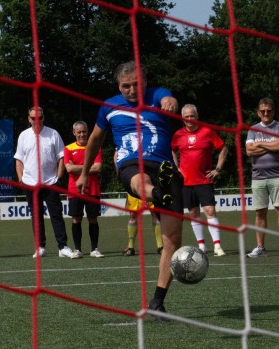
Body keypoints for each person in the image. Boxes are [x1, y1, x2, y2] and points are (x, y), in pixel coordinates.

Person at [76, 61, 182, 317]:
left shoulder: (157, 95)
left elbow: (169, 99)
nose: (132, 90)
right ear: (118, 86)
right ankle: (156, 193)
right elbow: (94, 141)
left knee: (172, 242)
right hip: (131, 161)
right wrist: (83, 174)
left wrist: (170, 101)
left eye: (136, 84)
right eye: (126, 86)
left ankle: (157, 302)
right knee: (139, 179)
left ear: (145, 81)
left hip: (165, 166)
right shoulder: (109, 107)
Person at [14, 106, 76, 259]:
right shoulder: (23, 136)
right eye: (33, 118)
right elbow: (19, 159)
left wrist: (58, 176)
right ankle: (40, 247)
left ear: (43, 118)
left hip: (50, 182)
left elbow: (62, 156)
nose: (37, 121)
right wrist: (21, 178)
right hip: (30, 182)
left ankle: (63, 247)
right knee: (36, 216)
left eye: (40, 117)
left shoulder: (53, 134)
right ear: (29, 119)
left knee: (56, 215)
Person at [171, 104, 228, 257]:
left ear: (197, 116)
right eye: (187, 116)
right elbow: (171, 149)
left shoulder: (207, 132)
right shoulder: (178, 135)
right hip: (186, 182)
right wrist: (176, 167)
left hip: (204, 180)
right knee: (193, 213)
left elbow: (223, 148)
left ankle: (218, 246)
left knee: (210, 211)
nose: (190, 119)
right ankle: (201, 246)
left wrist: (218, 169)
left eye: (192, 116)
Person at [245, 98, 279, 258]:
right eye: (263, 111)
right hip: (258, 177)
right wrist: (270, 146)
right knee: (260, 212)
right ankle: (260, 247)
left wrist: (260, 145)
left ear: (273, 111)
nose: (266, 113)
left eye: (269, 110)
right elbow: (249, 151)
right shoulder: (253, 129)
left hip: (278, 176)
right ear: (258, 112)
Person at [64, 121, 104, 258]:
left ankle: (94, 249)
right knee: (76, 219)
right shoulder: (68, 148)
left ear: (88, 132)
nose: (82, 134)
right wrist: (88, 167)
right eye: (79, 132)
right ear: (74, 133)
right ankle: (78, 250)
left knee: (93, 219)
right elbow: (68, 168)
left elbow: (98, 168)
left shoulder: (95, 147)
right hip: (74, 190)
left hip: (92, 189)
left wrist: (77, 167)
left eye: (84, 131)